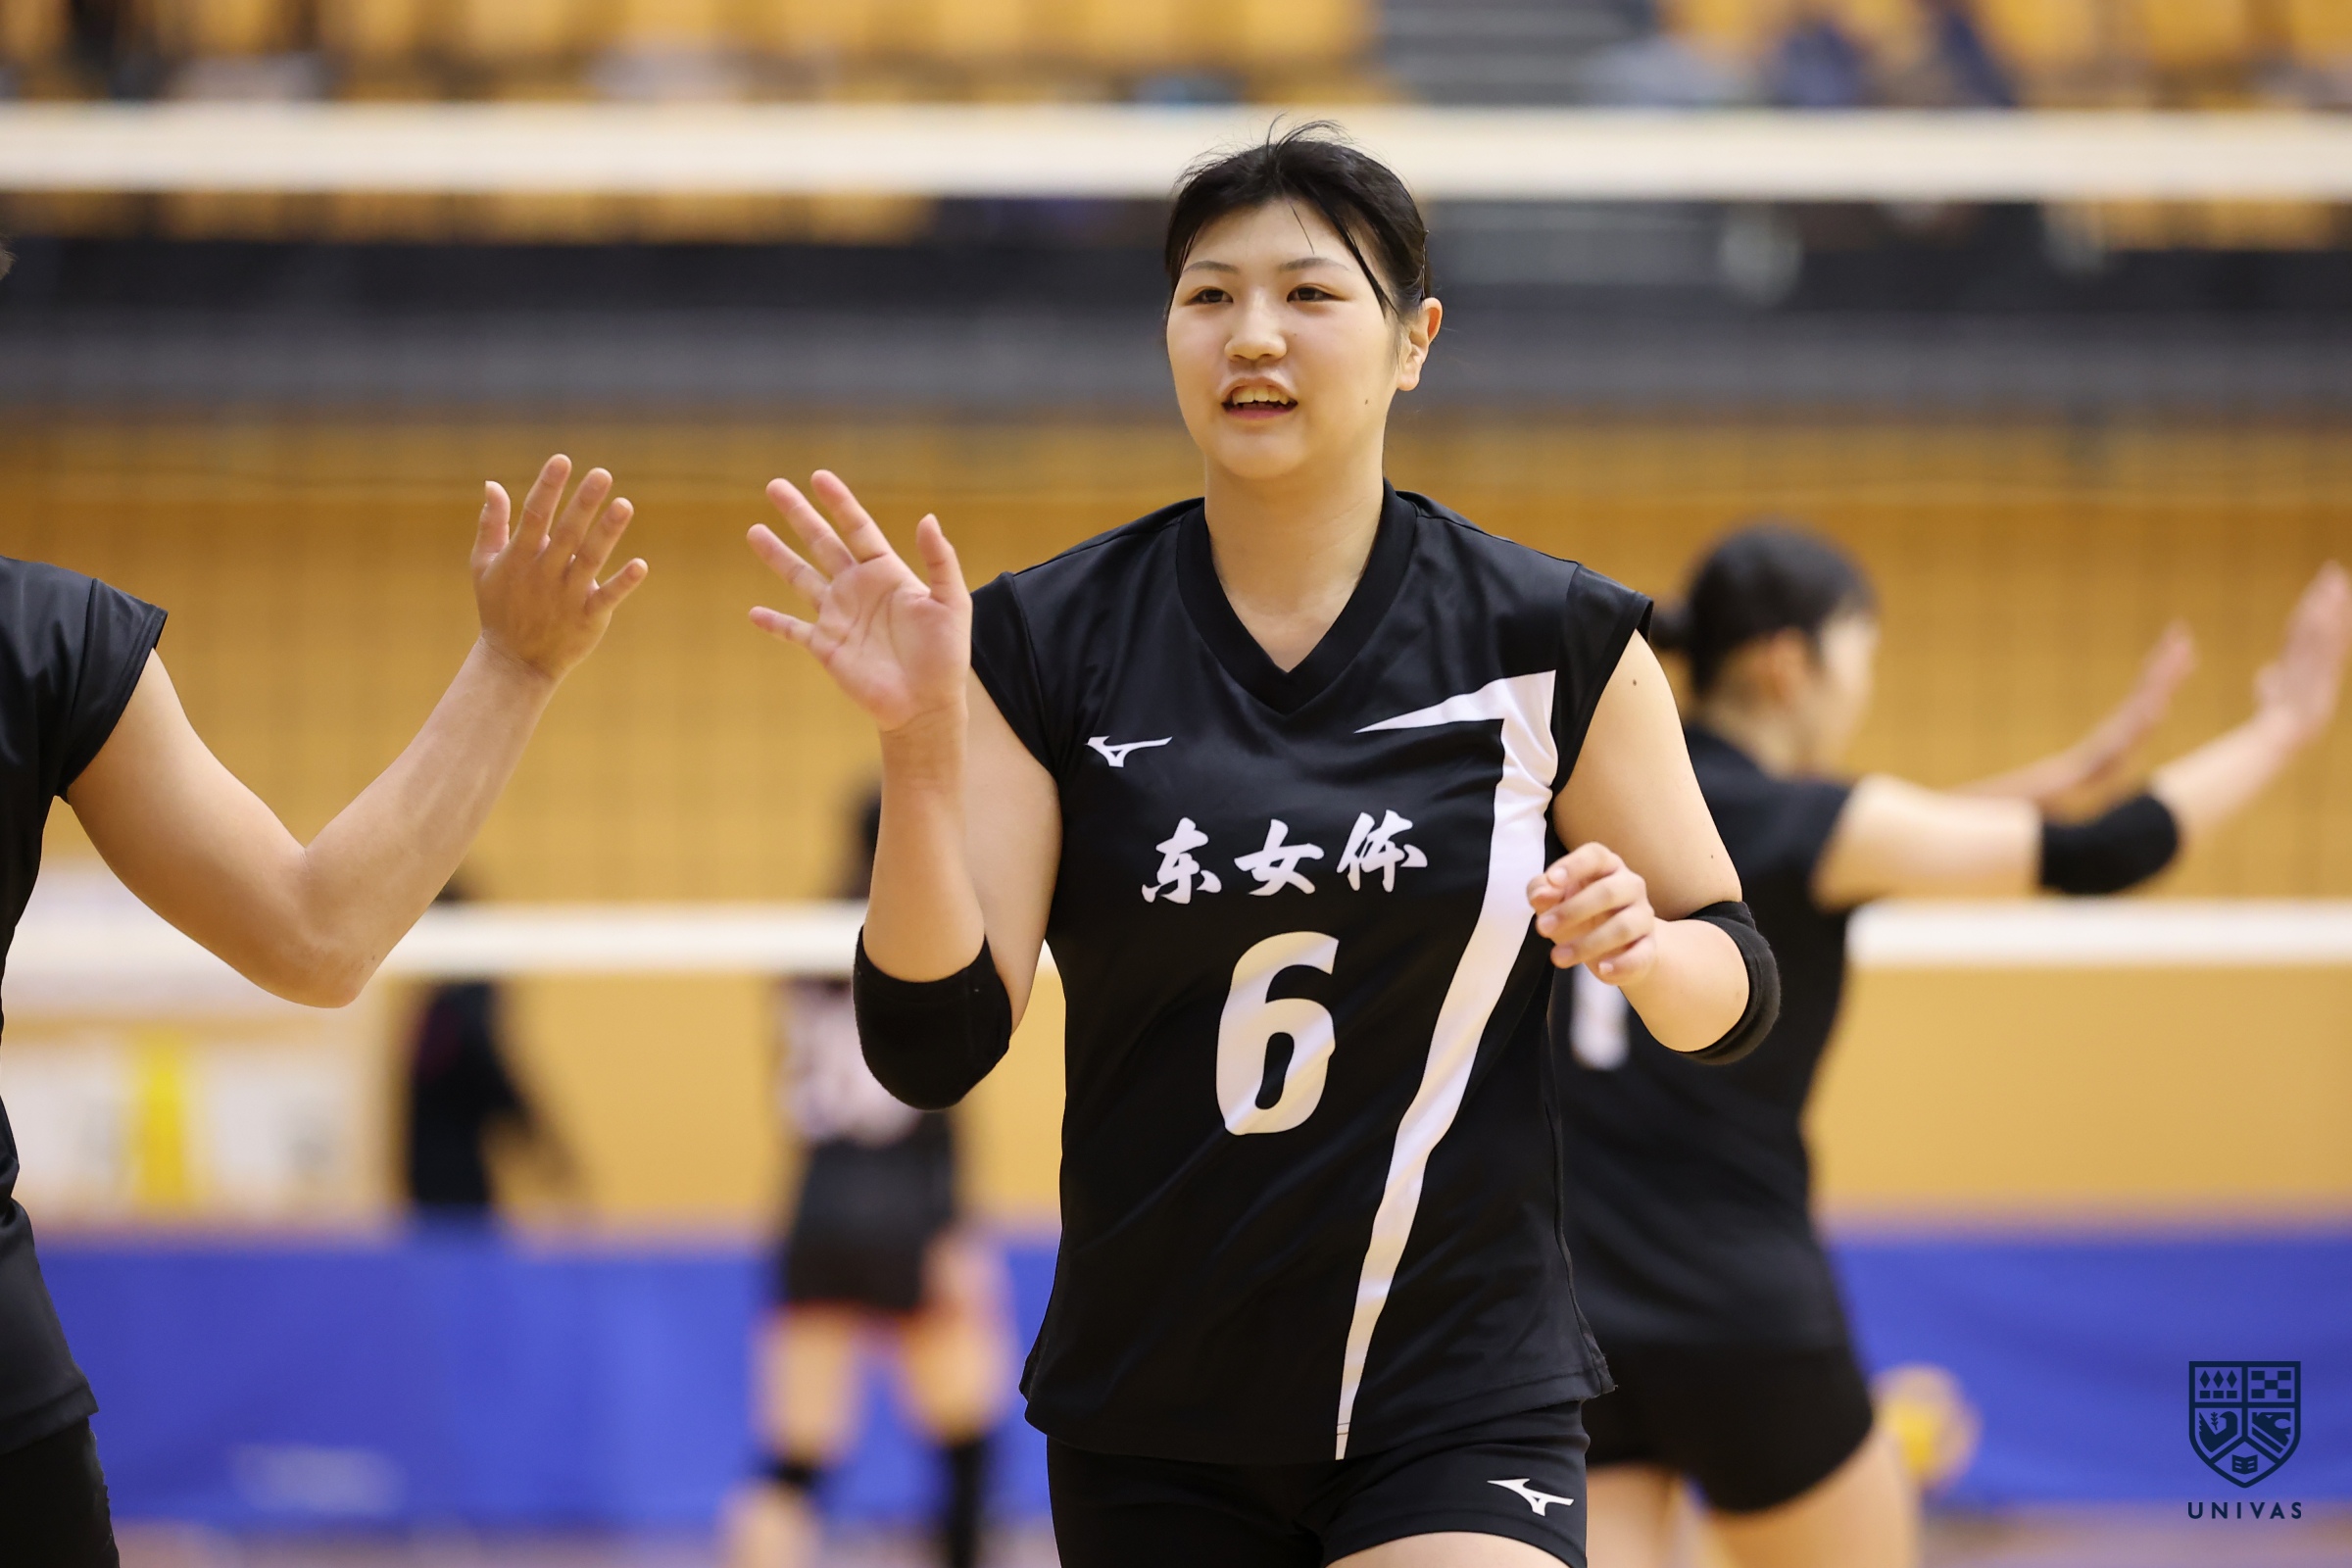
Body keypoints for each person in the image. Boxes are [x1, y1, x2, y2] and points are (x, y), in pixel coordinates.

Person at [746, 125, 1779, 1568]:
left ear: (1414, 341)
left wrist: (1652, 954)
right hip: (1155, 1404)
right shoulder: (1046, 641)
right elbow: (934, 1045)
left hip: (1456, 1383)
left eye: (1309, 294)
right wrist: (919, 748)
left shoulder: (1553, 638)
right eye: (1210, 296)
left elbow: (1739, 979)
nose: (1253, 335)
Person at [1563, 523, 2350, 1568]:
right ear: (1788, 663)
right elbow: (2102, 852)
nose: (1865, 687)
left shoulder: (1586, 801)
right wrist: (2282, 731)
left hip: (1575, 1317)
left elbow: (1841, 845)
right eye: (1862, 653)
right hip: (1742, 1311)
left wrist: (2049, 779)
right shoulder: (1814, 823)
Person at [0, 454, 646, 1561]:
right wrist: (515, 665)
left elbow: (318, 935)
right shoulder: (43, 633)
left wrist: (516, 665)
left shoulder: (48, 641)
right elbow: (318, 937)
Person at [726, 791, 1010, 1568]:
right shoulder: (921, 930)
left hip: (816, 1206)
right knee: (966, 1447)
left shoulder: (808, 939)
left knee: (795, 1458)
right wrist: (950, 1227)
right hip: (905, 1208)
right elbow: (937, 1094)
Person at [403, 883, 576, 1217]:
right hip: (437, 1177)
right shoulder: (445, 1003)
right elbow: (486, 1066)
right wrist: (538, 1135)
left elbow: (488, 1065)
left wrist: (536, 1134)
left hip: (451, 1177)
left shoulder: (463, 1000)